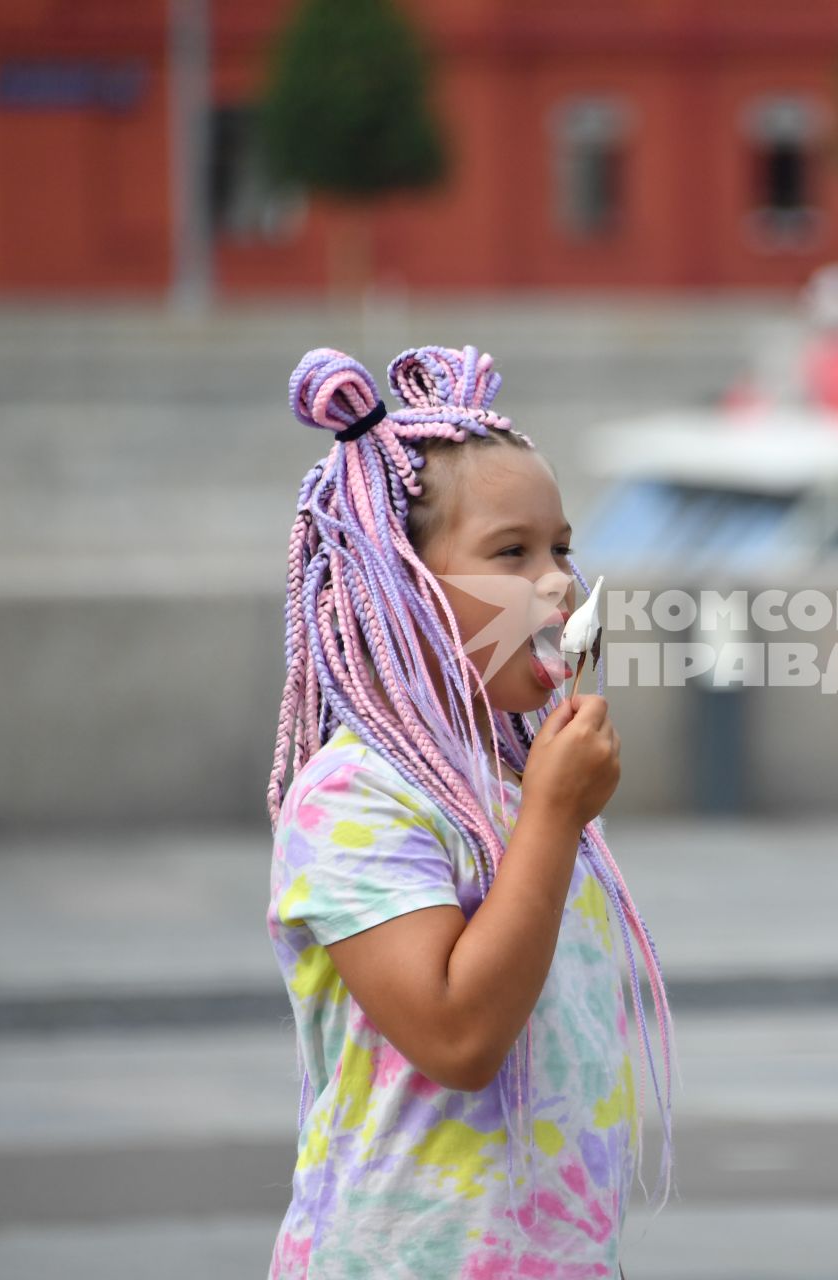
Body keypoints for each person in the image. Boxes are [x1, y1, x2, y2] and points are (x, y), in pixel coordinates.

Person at [265, 345, 674, 1279]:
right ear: (400, 585)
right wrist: (555, 819)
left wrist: (550, 811)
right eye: (511, 552)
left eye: (563, 546)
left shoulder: (517, 785)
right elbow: (458, 1035)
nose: (559, 582)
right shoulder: (355, 793)